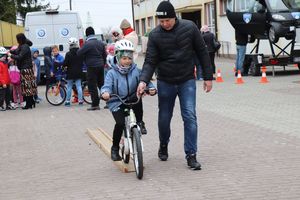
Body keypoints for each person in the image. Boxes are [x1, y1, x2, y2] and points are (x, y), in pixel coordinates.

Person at [136, 1, 213, 170]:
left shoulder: (190, 27)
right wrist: (143, 81)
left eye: (167, 21)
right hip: (165, 81)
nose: (165, 24)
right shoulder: (155, 35)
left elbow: (202, 52)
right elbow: (150, 61)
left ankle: (191, 155)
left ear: (174, 17)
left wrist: (208, 76)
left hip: (187, 80)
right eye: (161, 22)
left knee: (190, 116)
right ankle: (163, 144)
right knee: (164, 117)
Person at [101, 39, 156, 161]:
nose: (127, 61)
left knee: (138, 98)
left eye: (129, 58)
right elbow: (106, 85)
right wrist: (105, 93)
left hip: (131, 99)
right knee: (120, 123)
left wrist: (151, 89)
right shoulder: (111, 73)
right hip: (116, 101)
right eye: (124, 58)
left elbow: (145, 80)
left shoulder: (136, 71)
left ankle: (140, 122)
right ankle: (115, 148)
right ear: (118, 57)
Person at [77, 26, 107, 111]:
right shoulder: (100, 43)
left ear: (86, 34)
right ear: (93, 33)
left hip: (91, 67)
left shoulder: (87, 44)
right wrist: (103, 64)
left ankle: (95, 104)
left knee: (92, 86)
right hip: (100, 66)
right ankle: (108, 102)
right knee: (102, 84)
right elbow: (104, 55)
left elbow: (79, 53)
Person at [8, 33, 37, 109]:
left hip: (26, 69)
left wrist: (10, 56)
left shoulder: (24, 46)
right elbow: (17, 51)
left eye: (17, 39)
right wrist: (10, 51)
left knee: (26, 87)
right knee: (28, 86)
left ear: (19, 39)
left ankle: (28, 104)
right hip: (26, 68)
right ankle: (31, 102)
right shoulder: (23, 45)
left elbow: (19, 57)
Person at [63, 37, 84, 106]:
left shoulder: (68, 54)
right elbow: (82, 61)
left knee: (69, 87)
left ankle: (68, 101)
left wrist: (63, 67)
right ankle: (80, 101)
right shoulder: (80, 52)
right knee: (79, 86)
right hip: (79, 72)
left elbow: (65, 63)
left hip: (70, 72)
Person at [0, 47, 11, 111]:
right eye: (2, 56)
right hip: (2, 83)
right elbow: (0, 75)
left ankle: (8, 105)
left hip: (7, 82)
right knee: (2, 96)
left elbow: (6, 73)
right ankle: (0, 105)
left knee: (8, 95)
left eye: (5, 56)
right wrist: (3, 83)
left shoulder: (5, 63)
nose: (4, 57)